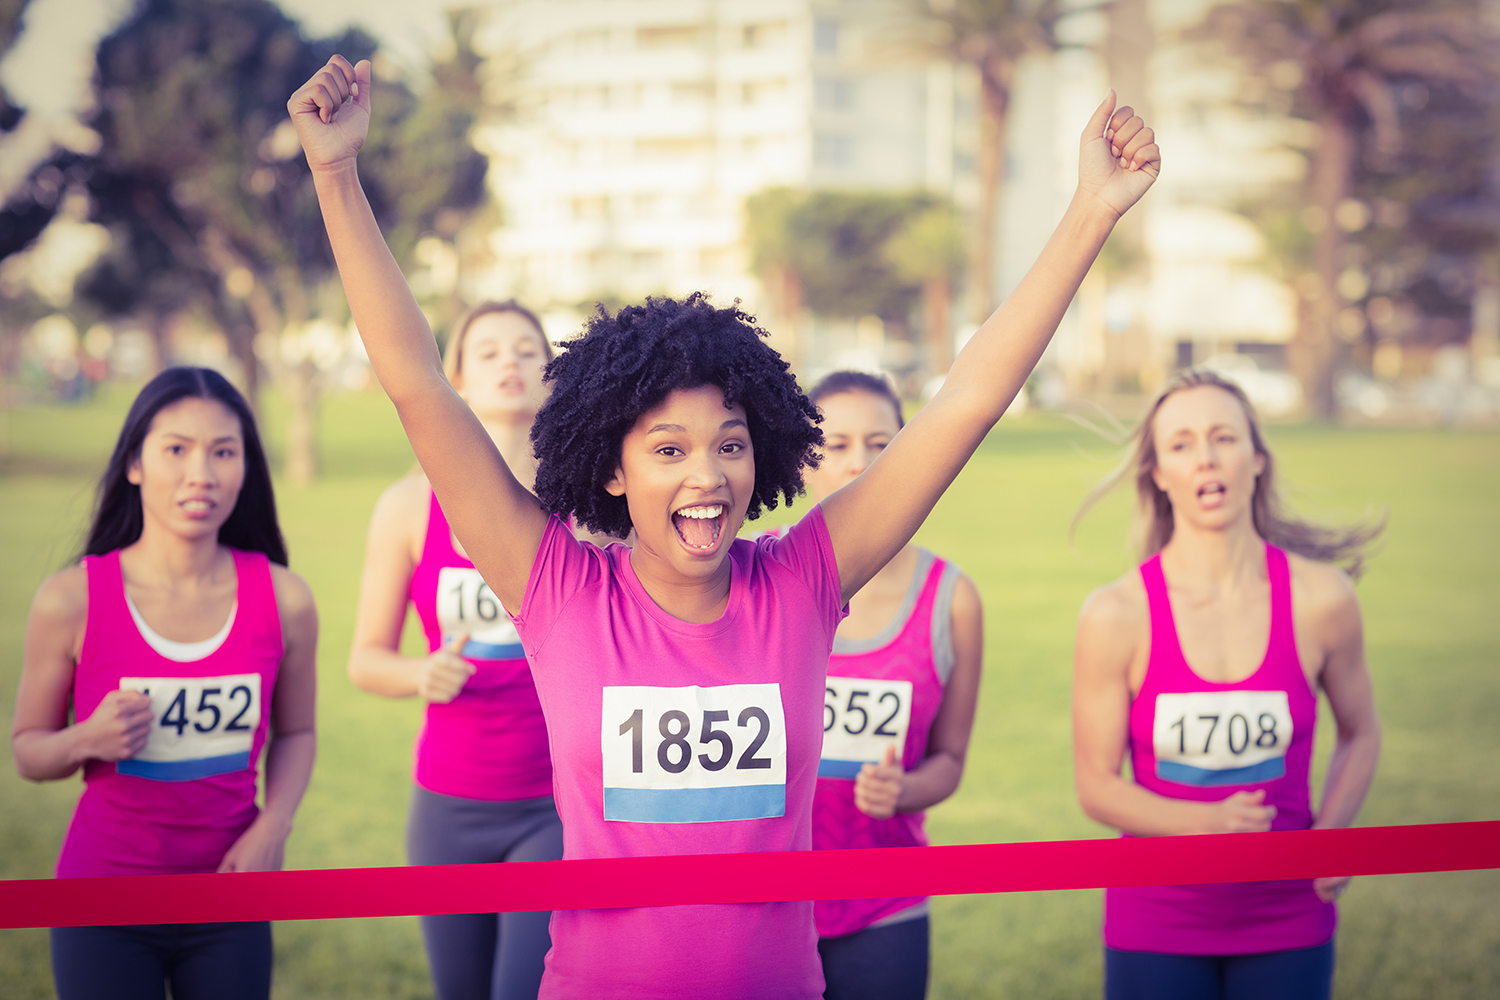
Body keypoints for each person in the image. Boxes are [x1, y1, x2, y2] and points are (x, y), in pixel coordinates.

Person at [288, 54, 1159, 999]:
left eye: (730, 445)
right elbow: (418, 382)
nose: (708, 476)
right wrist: (336, 175)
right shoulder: (556, 586)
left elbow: (965, 404)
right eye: (668, 451)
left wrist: (1091, 211)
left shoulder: (803, 579)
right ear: (612, 472)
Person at [1071, 368, 1383, 1000]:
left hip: (1289, 913)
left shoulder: (1322, 599)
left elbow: (1362, 731)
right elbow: (1097, 787)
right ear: (1158, 472)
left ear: (1258, 458)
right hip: (1154, 918)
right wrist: (1206, 822)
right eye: (1181, 444)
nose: (1206, 457)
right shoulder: (1116, 614)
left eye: (1224, 437)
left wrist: (1332, 836)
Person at [12, 367, 318, 1000]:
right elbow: (28, 752)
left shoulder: (286, 599)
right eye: (176, 449)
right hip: (103, 903)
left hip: (231, 900)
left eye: (223, 452)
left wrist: (272, 828)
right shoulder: (70, 601)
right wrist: (85, 738)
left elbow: (299, 731)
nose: (200, 473)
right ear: (134, 463)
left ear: (245, 469)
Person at [348, 300, 563, 1000]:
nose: (511, 362)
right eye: (490, 350)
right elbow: (366, 660)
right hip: (447, 806)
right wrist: (422, 671)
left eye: (528, 350)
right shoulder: (408, 507)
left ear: (552, 378)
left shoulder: (590, 510)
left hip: (557, 808)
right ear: (457, 379)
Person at [801, 372, 983, 1000]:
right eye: (837, 445)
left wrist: (906, 789)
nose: (860, 463)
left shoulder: (951, 598)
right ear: (803, 461)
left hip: (887, 904)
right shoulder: (755, 578)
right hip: (764, 904)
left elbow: (951, 759)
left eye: (881, 444)